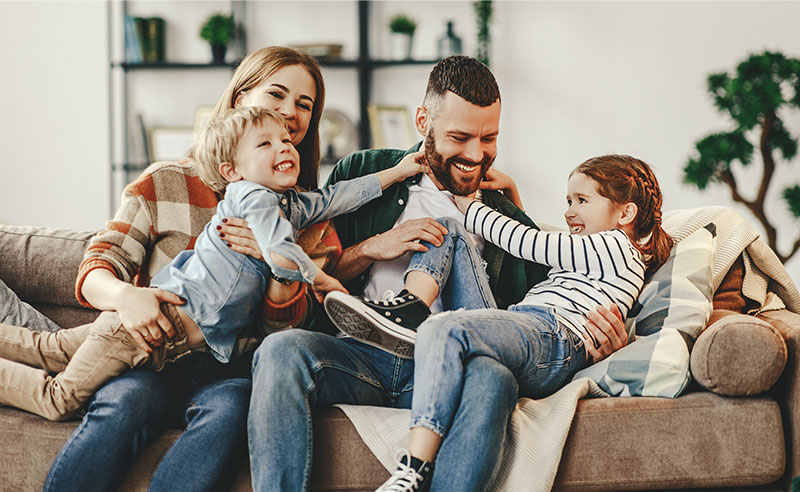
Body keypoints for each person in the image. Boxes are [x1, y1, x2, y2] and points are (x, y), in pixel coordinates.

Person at [247, 55, 631, 492]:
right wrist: (371, 249)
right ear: (422, 121)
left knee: (494, 378)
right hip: (362, 356)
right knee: (281, 351)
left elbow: (538, 315)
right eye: (459, 137)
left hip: (449, 368)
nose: (475, 154)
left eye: (489, 138)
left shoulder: (501, 212)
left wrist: (605, 344)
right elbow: (314, 274)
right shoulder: (364, 171)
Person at [0, 106, 426, 421]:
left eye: (286, 140)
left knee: (49, 349)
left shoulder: (288, 204)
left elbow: (337, 197)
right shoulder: (252, 198)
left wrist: (397, 171)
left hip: (163, 341)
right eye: (265, 143)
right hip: (148, 328)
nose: (284, 147)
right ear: (232, 170)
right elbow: (279, 249)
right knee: (59, 399)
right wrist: (322, 280)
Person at [33, 46, 332, 492]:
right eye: (277, 94)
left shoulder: (304, 215)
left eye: (304, 105)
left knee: (230, 412)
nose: (290, 112)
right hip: (149, 360)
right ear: (240, 99)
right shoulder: (166, 179)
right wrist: (126, 297)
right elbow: (98, 265)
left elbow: (281, 334)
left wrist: (276, 262)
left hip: (228, 370)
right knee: (123, 404)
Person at [327, 154, 673, 491]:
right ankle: (410, 308)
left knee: (442, 327)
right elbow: (539, 258)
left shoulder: (615, 246)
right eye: (568, 201)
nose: (569, 212)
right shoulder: (593, 255)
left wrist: (468, 204)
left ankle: (414, 467)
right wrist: (512, 198)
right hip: (525, 329)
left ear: (626, 213)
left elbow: (529, 244)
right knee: (447, 230)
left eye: (582, 200)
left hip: (553, 335)